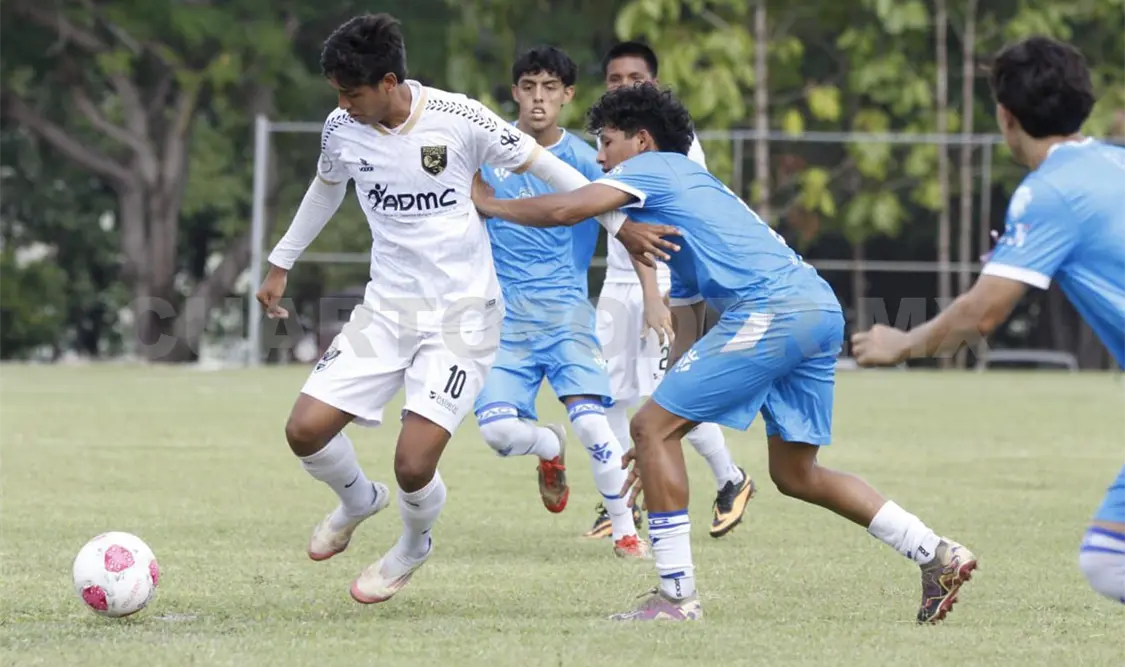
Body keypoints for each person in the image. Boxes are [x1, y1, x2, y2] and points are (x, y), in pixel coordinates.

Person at [470, 82, 977, 623]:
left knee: (649, 426)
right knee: (796, 474)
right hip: (814, 308)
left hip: (774, 309)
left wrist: (489, 204)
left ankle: (675, 597)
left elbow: (570, 207)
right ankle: (936, 553)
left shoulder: (655, 168)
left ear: (642, 142)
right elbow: (688, 329)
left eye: (608, 142)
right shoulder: (690, 192)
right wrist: (663, 427)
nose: (599, 157)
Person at [254, 14, 677, 605]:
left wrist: (620, 222)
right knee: (304, 431)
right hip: (387, 309)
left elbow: (550, 167)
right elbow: (327, 185)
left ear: (390, 80)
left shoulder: (461, 118)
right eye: (338, 95)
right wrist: (282, 260)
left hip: (463, 317)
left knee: (412, 465)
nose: (343, 105)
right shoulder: (341, 127)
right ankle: (357, 500)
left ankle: (411, 544)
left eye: (352, 93)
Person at [852, 35, 1125, 607]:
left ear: (1005, 116)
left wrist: (901, 344)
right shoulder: (1114, 161)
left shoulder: (1047, 191)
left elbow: (983, 313)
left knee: (1109, 559)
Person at [473, 45, 650, 559]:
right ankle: (548, 447)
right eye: (528, 87)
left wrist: (653, 299)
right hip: (502, 321)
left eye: (550, 88)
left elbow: (627, 229)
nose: (538, 99)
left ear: (568, 96)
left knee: (595, 423)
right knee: (501, 435)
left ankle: (624, 531)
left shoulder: (587, 160)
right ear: (514, 93)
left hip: (568, 315)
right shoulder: (486, 153)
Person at [586, 41, 756, 542]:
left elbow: (655, 222)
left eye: (634, 77)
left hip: (661, 276)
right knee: (611, 394)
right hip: (618, 281)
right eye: (615, 78)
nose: (624, 85)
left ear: (654, 83)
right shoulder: (607, 139)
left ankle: (730, 479)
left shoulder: (673, 144)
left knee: (667, 394)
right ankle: (623, 499)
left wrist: (655, 297)